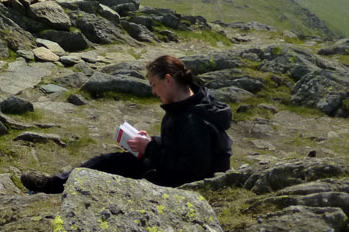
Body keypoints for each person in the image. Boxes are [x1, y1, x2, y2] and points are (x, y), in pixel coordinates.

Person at [21, 54, 233, 193]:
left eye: (154, 84)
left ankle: (52, 186)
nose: (153, 91)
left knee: (111, 169)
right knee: (109, 161)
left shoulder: (193, 120)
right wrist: (151, 142)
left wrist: (150, 148)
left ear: (168, 80)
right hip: (168, 168)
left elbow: (192, 173)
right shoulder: (185, 105)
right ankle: (55, 184)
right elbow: (180, 147)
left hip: (182, 186)